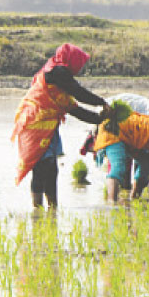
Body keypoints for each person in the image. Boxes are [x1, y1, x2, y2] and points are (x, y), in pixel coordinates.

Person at [13, 44, 110, 209]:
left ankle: (52, 209)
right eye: (80, 64)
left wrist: (100, 119)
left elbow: (74, 110)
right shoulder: (57, 71)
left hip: (48, 126)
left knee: (51, 168)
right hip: (36, 125)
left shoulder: (59, 83)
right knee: (41, 167)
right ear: (73, 60)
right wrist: (101, 102)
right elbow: (78, 92)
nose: (80, 69)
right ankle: (37, 210)